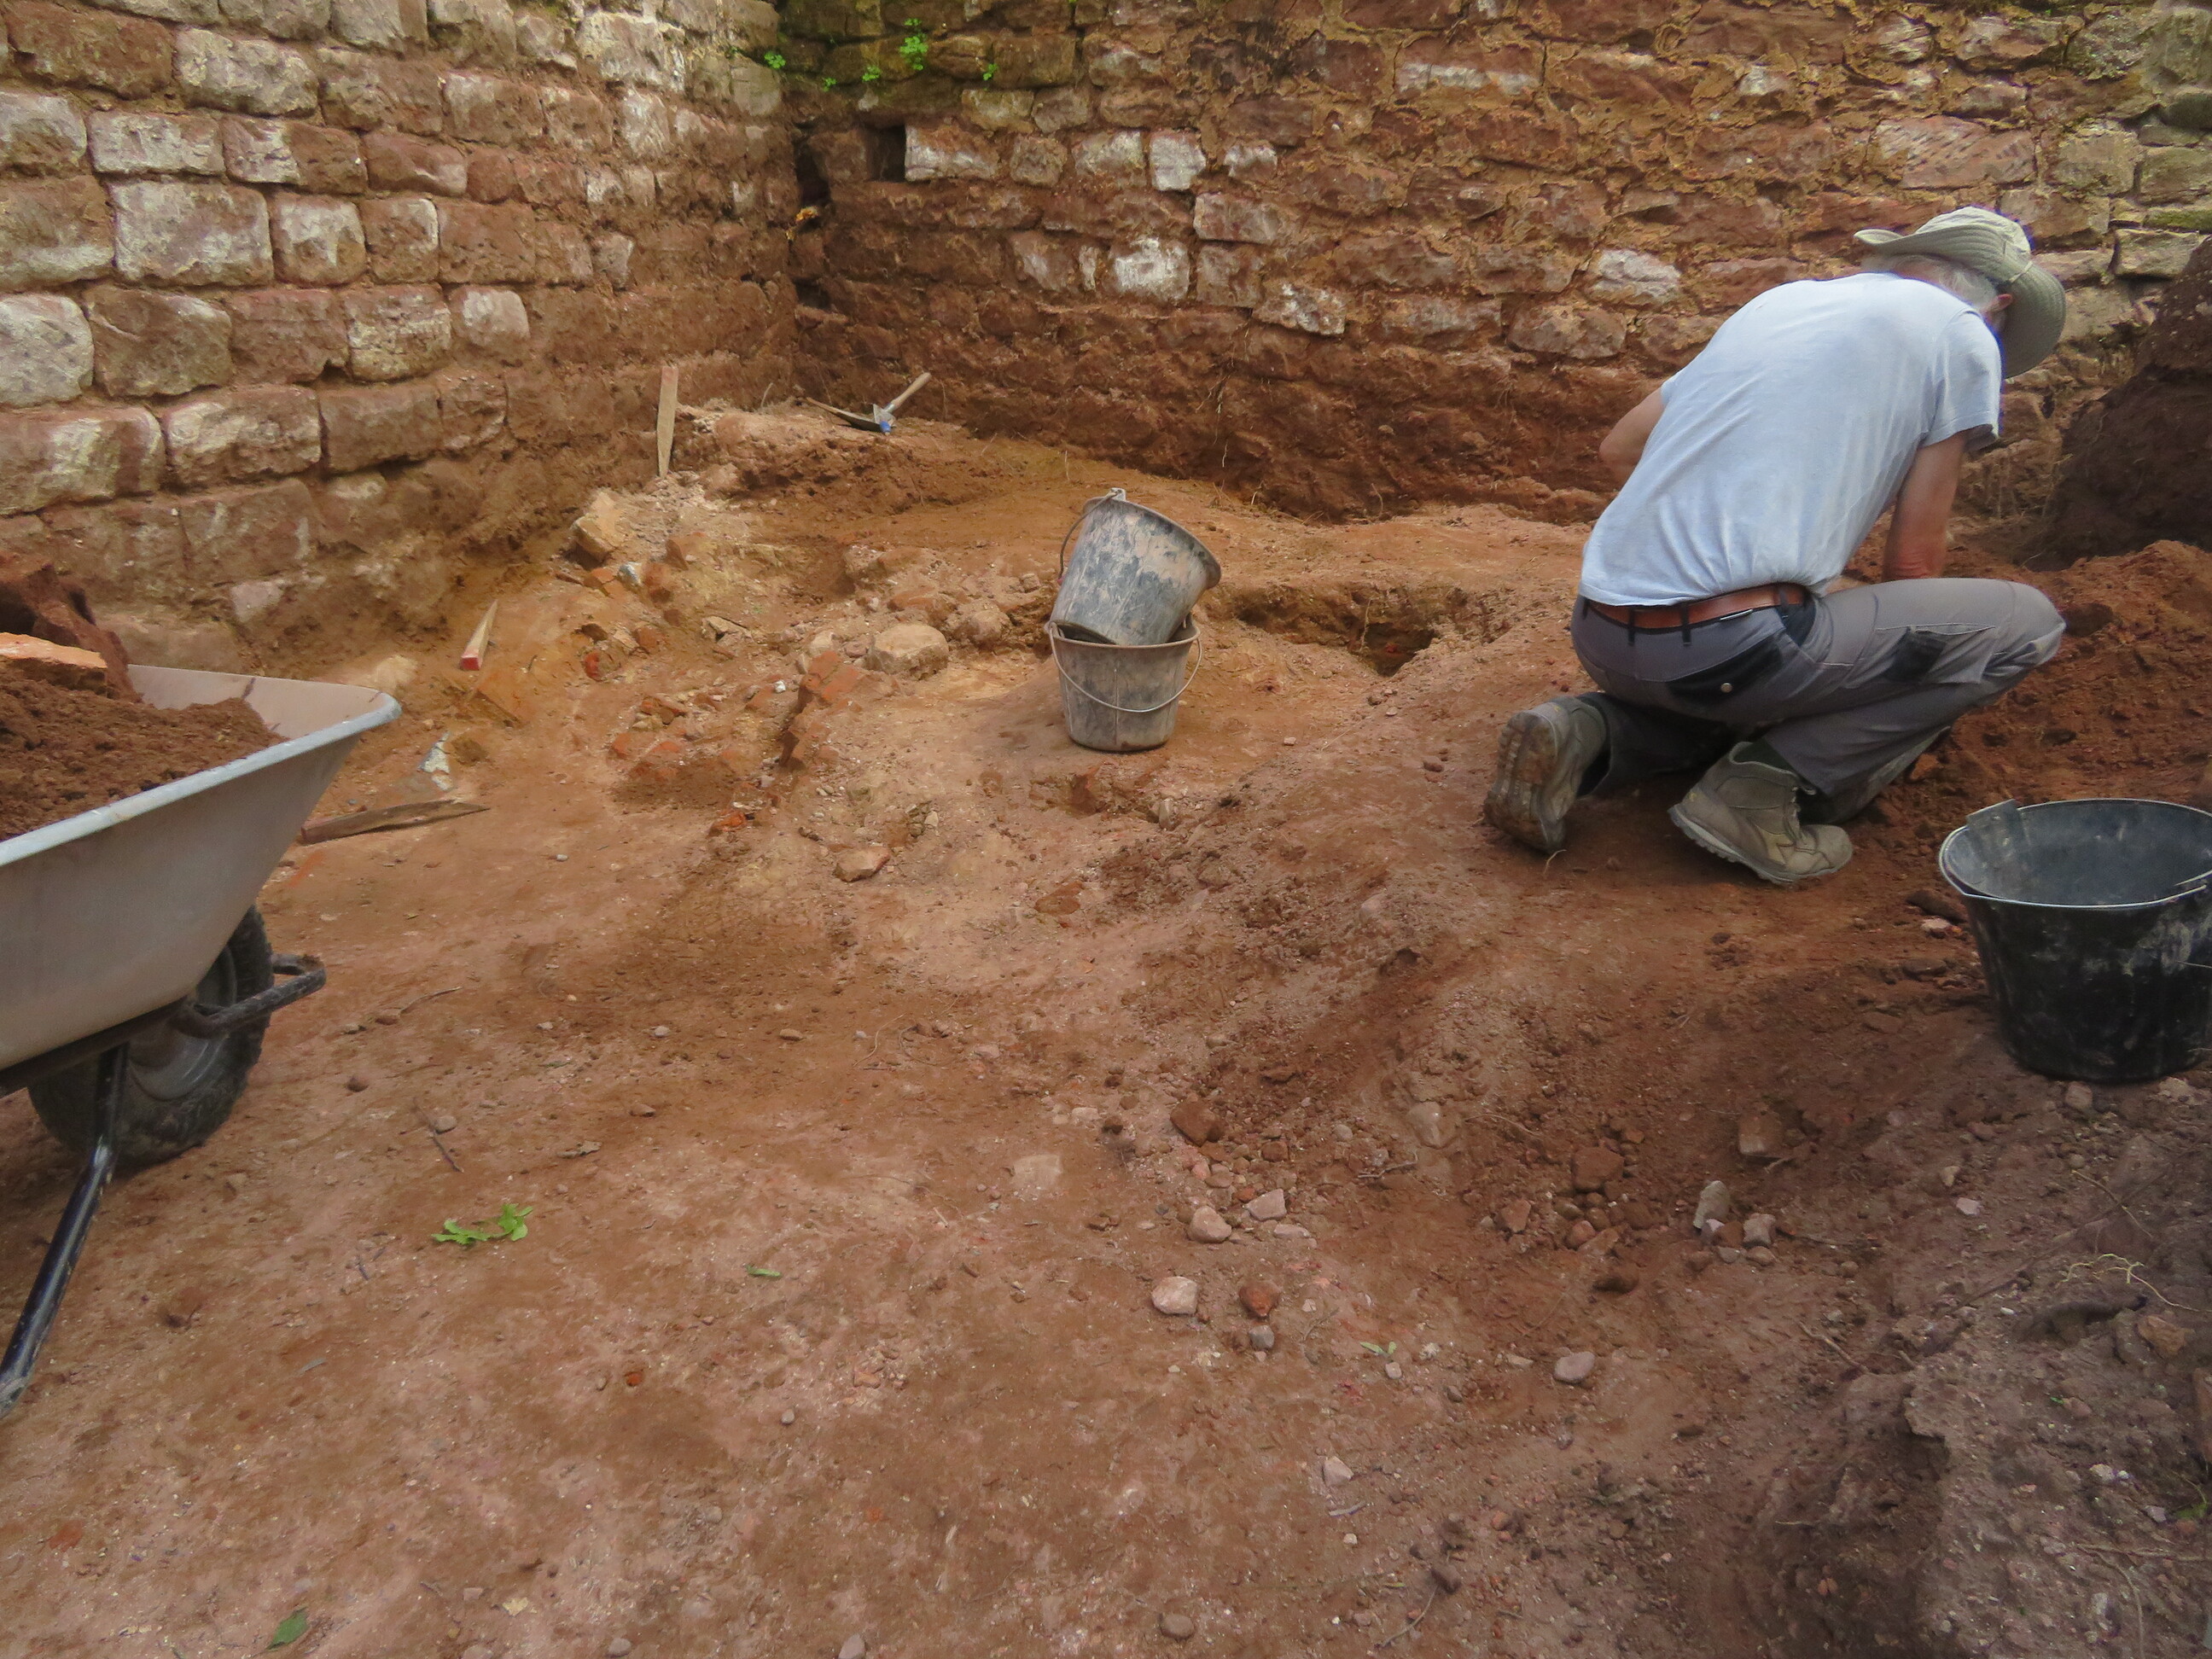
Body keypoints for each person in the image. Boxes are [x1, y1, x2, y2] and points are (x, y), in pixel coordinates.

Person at [1484, 208, 2069, 883]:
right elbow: (1912, 564)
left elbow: (1619, 448)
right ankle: (1759, 792)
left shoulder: (1782, 303)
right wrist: (1859, 654)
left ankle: (1588, 733)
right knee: (2027, 625)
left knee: (1745, 680)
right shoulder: (1963, 333)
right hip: (1732, 652)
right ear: (2000, 305)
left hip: (1600, 633)